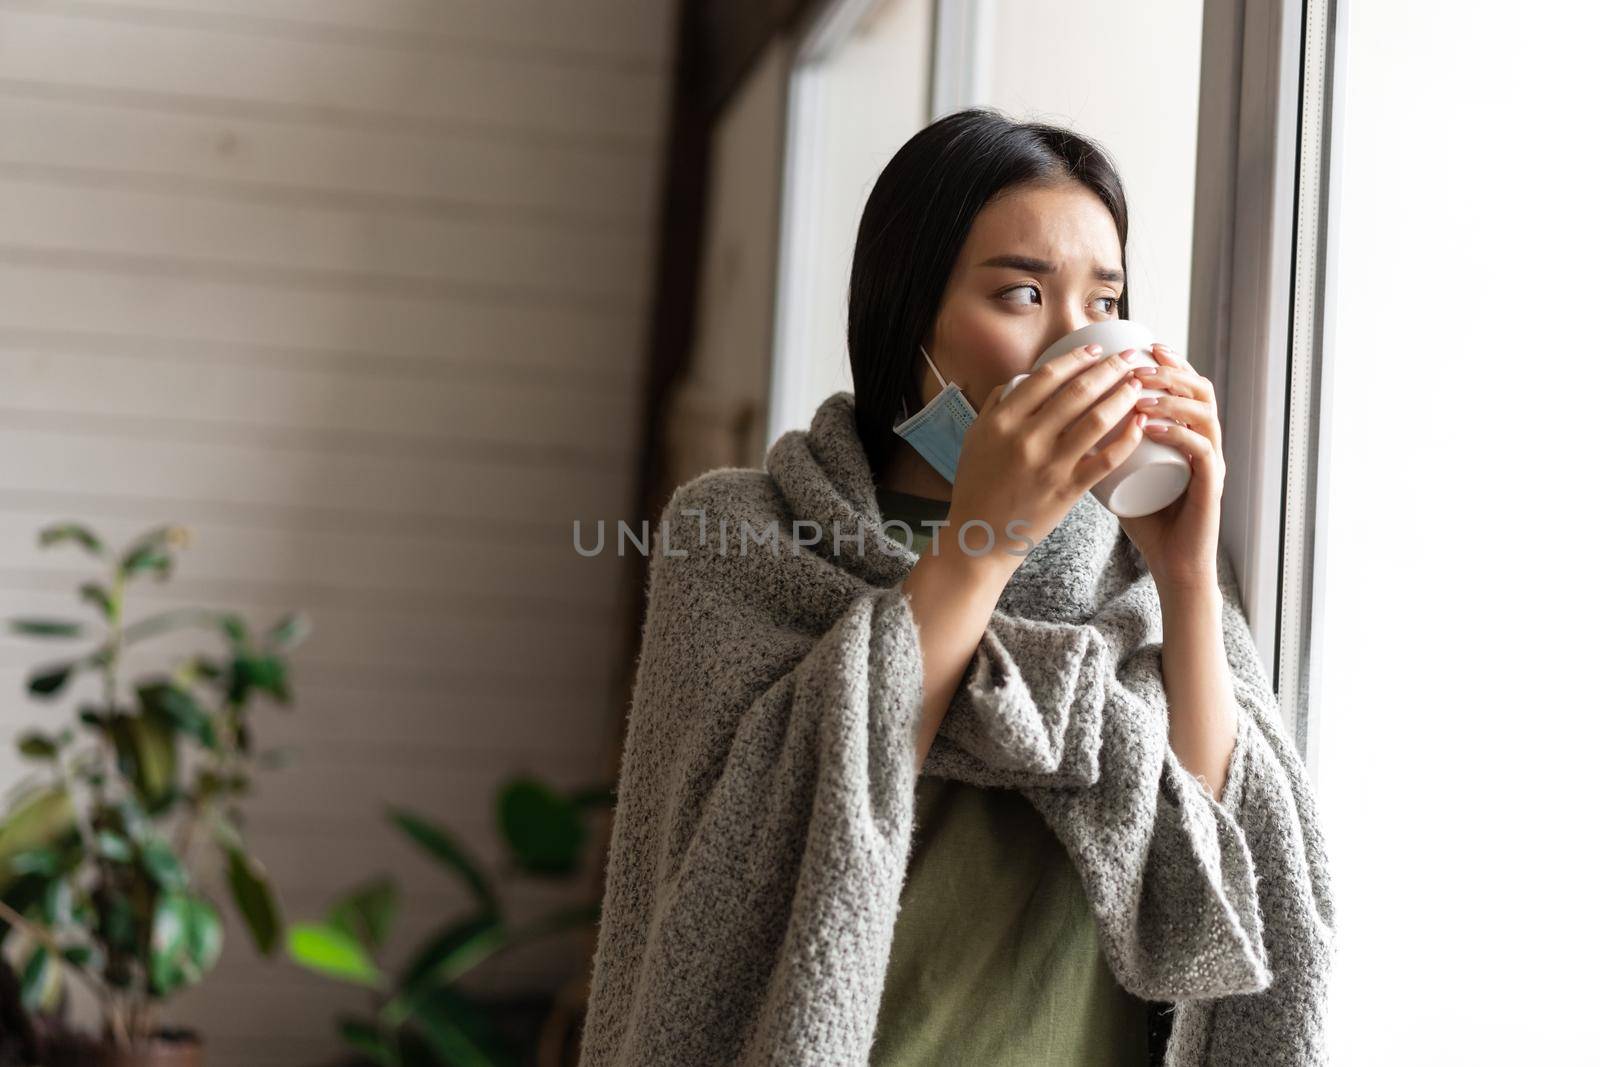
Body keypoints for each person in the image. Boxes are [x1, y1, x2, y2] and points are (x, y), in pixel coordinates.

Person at [578, 107, 1334, 1067]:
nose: (1075, 339)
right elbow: (733, 865)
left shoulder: (1131, 572)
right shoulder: (741, 533)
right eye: (1022, 294)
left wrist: (1186, 576)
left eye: (1104, 306)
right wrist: (986, 541)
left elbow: (1221, 866)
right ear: (910, 314)